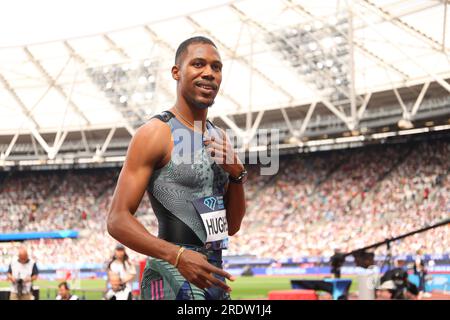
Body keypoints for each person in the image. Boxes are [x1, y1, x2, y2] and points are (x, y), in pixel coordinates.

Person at [107, 36, 247, 300]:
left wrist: (238, 174)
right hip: (171, 274)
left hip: (213, 274)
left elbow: (232, 226)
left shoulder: (220, 138)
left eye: (216, 67)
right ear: (176, 72)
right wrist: (178, 256)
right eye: (198, 64)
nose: (209, 73)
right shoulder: (156, 133)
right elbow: (117, 219)